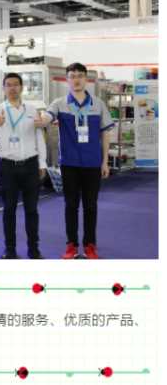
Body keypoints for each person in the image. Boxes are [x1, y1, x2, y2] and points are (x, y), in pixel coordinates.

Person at [34, 62, 114, 259]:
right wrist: (41, 120)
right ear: (67, 79)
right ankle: (71, 245)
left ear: (86, 78)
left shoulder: (98, 104)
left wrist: (105, 161)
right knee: (70, 206)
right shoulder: (60, 103)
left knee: (91, 207)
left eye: (79, 76)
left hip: (93, 163)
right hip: (69, 164)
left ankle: (90, 246)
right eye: (72, 76)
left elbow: (105, 134)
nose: (76, 80)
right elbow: (48, 116)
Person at [0, 72, 47, 260]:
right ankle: (10, 248)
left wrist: (42, 163)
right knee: (9, 209)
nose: (12, 88)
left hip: (30, 165)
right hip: (9, 167)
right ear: (3, 89)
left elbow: (39, 137)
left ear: (22, 88)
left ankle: (34, 248)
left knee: (32, 210)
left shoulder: (32, 110)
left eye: (16, 84)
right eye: (9, 85)